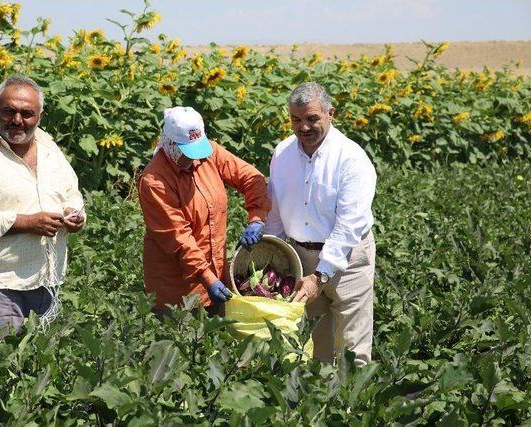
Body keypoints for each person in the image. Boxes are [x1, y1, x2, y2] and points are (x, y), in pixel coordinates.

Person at [0, 75, 85, 359]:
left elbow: (72, 193)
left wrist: (74, 214)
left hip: (46, 282)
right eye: (9, 111)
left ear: (40, 115)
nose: (17, 120)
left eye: (27, 113)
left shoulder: (50, 150)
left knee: (38, 374)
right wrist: (25, 222)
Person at [264, 82, 377, 365]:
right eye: (296, 119)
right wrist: (272, 255)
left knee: (352, 345)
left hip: (348, 260)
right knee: (315, 343)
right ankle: (321, 404)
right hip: (301, 256)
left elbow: (348, 226)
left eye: (312, 118)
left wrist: (320, 276)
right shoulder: (282, 154)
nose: (303, 127)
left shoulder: (351, 158)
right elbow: (276, 213)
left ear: (330, 114)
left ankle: (352, 407)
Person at [138, 106, 270, 315]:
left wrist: (257, 217)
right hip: (177, 290)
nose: (195, 159)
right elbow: (179, 239)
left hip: (216, 278)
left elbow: (251, 178)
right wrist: (207, 278)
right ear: (170, 144)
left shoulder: (209, 153)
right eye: (187, 154)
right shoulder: (155, 181)